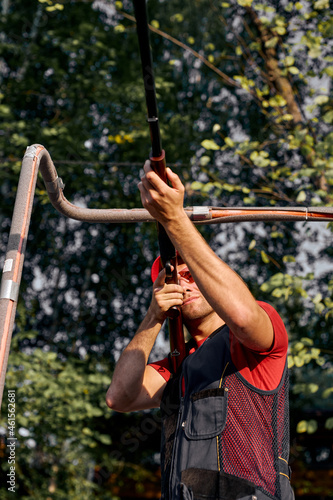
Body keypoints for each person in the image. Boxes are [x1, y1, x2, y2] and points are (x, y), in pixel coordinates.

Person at [106, 161, 294, 500]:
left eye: (193, 272)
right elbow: (119, 397)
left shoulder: (254, 333)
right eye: (174, 277)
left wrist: (174, 218)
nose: (185, 281)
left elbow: (240, 316)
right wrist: (153, 316)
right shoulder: (176, 369)